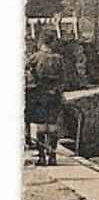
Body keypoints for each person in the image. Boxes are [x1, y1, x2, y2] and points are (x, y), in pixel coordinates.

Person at [24, 33, 66, 167]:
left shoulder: (36, 57)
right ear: (52, 44)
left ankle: (42, 157)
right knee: (53, 126)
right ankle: (53, 155)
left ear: (41, 43)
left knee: (41, 126)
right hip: (55, 95)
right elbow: (64, 77)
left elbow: (23, 67)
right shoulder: (59, 59)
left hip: (40, 95)